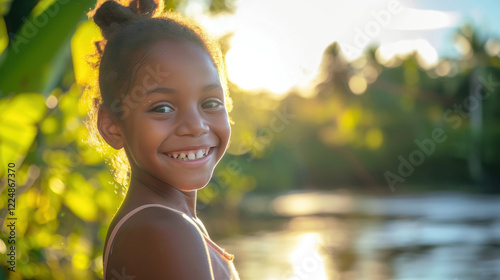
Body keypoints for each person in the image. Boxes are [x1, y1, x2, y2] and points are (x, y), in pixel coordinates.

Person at [84, 0, 239, 278]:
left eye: (210, 102)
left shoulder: (171, 222)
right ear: (112, 126)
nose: (195, 126)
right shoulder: (164, 229)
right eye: (162, 108)